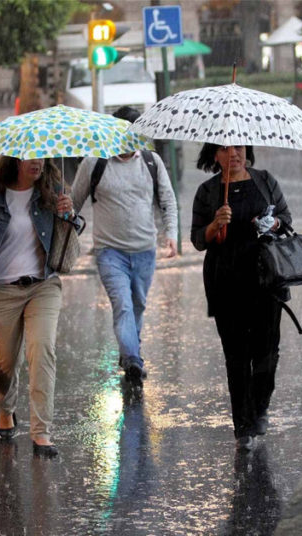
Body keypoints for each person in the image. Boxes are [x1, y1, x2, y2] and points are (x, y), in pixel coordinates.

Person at [0, 156, 73, 458]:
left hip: (43, 286)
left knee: (42, 350)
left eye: (41, 158)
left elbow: (67, 243)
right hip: (2, 292)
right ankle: (6, 409)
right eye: (30, 159)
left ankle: (41, 433)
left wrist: (67, 215)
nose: (37, 163)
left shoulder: (51, 191)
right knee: (6, 362)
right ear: (15, 161)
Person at [190, 144, 291, 451]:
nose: (233, 153)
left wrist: (272, 223)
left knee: (267, 352)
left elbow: (285, 218)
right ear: (214, 156)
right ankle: (243, 427)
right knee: (236, 356)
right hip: (225, 282)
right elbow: (197, 239)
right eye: (225, 148)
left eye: (239, 146)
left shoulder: (265, 180)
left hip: (265, 278)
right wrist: (214, 225)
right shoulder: (207, 192)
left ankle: (260, 408)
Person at [70, 106, 178, 388]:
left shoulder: (152, 162)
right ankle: (132, 359)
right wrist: (64, 217)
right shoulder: (95, 163)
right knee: (123, 306)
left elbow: (167, 199)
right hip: (109, 252)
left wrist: (172, 235)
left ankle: (130, 351)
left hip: (145, 250)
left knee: (138, 305)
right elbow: (74, 201)